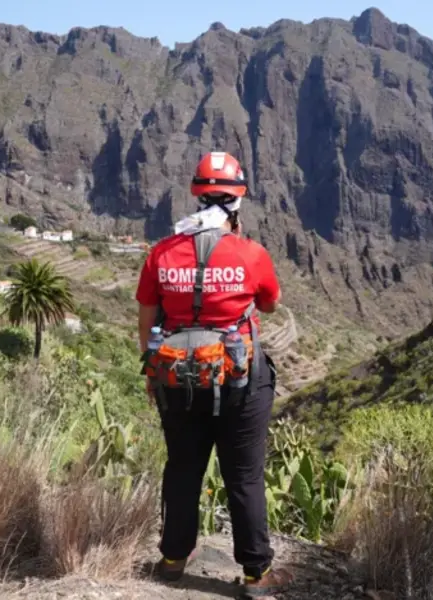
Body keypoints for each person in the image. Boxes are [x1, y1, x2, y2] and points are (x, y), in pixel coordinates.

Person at [134, 151, 294, 598]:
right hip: (240, 378)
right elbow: (269, 304)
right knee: (243, 474)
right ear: (237, 203)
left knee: (183, 468)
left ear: (194, 196)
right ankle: (255, 575)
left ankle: (171, 560)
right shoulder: (252, 254)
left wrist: (152, 374)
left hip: (176, 377)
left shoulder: (160, 254)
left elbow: (147, 320)